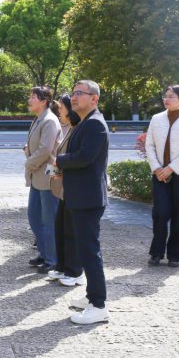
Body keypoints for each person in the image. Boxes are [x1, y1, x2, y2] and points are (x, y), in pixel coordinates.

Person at [55, 80, 110, 325]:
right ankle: (91, 297)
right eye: (74, 93)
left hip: (88, 198)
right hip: (81, 196)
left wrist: (60, 161)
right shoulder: (86, 122)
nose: (74, 97)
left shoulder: (95, 123)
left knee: (89, 251)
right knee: (85, 250)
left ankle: (98, 305)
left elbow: (86, 157)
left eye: (80, 93)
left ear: (94, 98)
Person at [144, 85, 179, 268]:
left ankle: (175, 255)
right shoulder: (156, 119)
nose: (166, 99)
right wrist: (156, 168)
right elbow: (149, 145)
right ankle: (156, 253)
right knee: (160, 214)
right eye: (165, 96)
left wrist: (171, 168)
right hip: (159, 173)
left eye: (171, 96)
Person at [46, 94, 84, 287]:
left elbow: (74, 159)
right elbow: (59, 157)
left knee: (71, 232)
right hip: (63, 189)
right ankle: (62, 267)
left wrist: (57, 169)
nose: (59, 111)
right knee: (60, 229)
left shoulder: (78, 129)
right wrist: (55, 172)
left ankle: (75, 271)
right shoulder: (68, 129)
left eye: (61, 107)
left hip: (73, 190)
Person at [23, 86, 62, 274]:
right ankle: (45, 252)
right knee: (34, 216)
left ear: (44, 101)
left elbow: (46, 150)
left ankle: (52, 259)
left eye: (33, 97)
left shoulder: (49, 120)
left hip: (48, 174)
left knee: (48, 220)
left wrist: (29, 162)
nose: (29, 100)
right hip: (37, 175)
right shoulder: (39, 119)